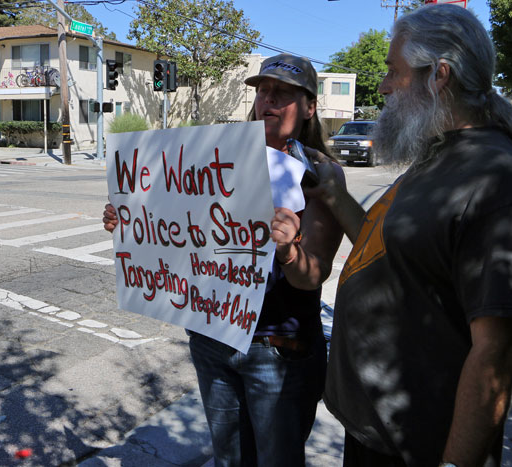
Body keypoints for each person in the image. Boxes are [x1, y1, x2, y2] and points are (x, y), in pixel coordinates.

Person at [103, 54, 345, 465]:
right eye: (262, 91)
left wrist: (287, 251)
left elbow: (313, 275)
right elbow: (180, 226)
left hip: (277, 347)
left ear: (309, 106)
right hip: (213, 336)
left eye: (283, 94)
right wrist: (129, 217)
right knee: (230, 459)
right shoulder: (215, 157)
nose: (268, 100)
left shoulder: (320, 174)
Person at [305, 5, 512, 466]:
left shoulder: (494, 178)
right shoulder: (439, 153)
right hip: (375, 432)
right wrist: (338, 196)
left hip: (420, 448)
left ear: (439, 75)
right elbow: (386, 252)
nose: (381, 87)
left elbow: (496, 353)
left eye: (392, 72)